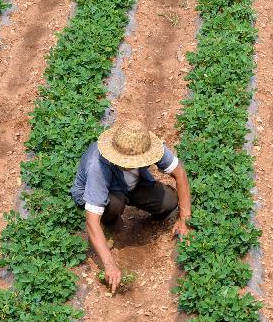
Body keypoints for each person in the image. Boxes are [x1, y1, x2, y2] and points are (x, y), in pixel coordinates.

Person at [71, 119, 191, 293]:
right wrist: (110, 264)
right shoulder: (98, 166)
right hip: (105, 193)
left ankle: (132, 201)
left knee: (169, 202)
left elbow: (179, 172)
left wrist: (184, 218)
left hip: (133, 186)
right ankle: (111, 222)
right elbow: (91, 221)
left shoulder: (148, 146)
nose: (131, 164)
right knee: (114, 204)